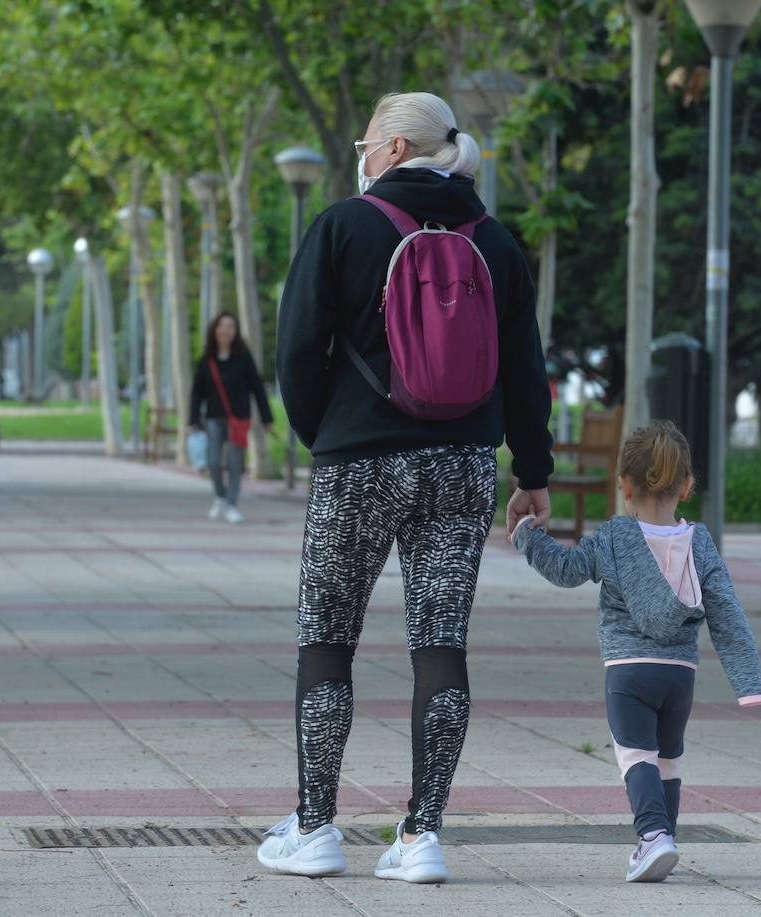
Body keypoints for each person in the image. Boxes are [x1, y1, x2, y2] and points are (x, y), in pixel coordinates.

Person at [261, 91, 554, 884]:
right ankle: (422, 835)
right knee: (440, 643)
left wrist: (329, 435)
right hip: (462, 464)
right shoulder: (495, 240)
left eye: (367, 141)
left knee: (327, 636)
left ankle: (316, 825)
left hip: (357, 460)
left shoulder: (341, 226)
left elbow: (295, 352)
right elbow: (526, 370)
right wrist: (533, 471)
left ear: (392, 148)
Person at [512, 420, 761, 883]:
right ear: (687, 486)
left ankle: (652, 837)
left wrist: (529, 535)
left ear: (624, 486)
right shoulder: (700, 543)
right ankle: (664, 838)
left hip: (629, 671)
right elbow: (727, 613)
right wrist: (749, 684)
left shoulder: (613, 537)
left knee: (635, 756)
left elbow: (566, 570)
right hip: (679, 674)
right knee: (668, 757)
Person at [188, 313, 273, 525]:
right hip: (214, 418)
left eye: (231, 327)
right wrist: (193, 419)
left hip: (239, 419)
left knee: (235, 465)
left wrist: (266, 418)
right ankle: (220, 497)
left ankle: (232, 505)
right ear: (214, 330)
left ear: (235, 332)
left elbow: (258, 389)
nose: (226, 330)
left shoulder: (244, 358)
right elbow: (197, 392)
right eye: (222, 326)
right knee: (214, 462)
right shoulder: (206, 360)